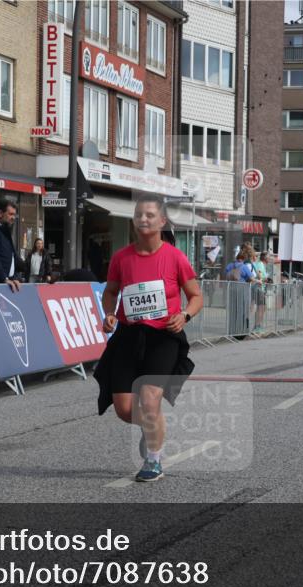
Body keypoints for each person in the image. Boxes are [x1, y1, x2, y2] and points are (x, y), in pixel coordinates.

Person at [95, 194, 203, 483]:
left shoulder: (175, 257)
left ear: (162, 221)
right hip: (129, 335)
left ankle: (154, 460)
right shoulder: (121, 257)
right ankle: (151, 429)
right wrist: (109, 314)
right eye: (139, 214)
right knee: (124, 408)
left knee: (149, 398)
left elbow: (195, 296)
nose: (143, 219)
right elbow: (110, 292)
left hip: (164, 336)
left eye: (150, 215)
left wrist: (185, 316)